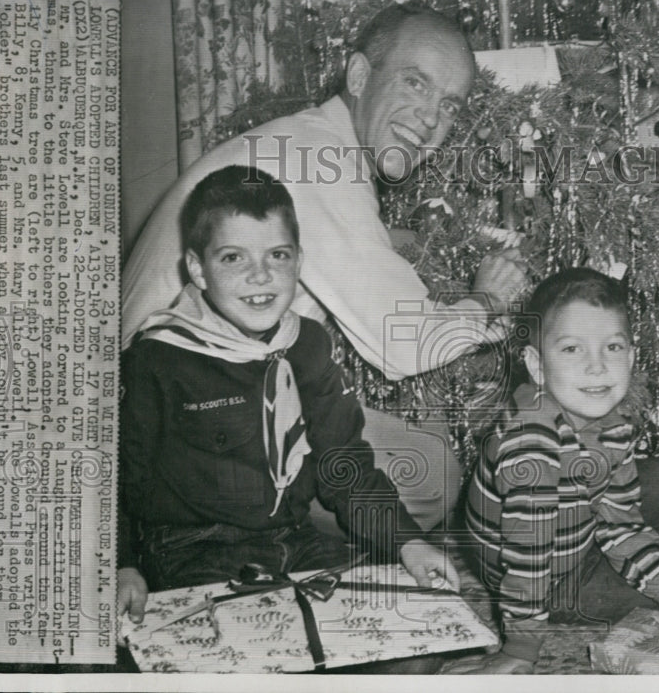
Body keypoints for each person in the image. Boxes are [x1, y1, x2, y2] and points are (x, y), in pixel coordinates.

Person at [120, 3, 530, 533]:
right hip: (167, 428)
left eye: (449, 106)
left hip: (204, 394)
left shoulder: (309, 141)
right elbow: (403, 342)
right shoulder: (320, 158)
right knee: (429, 477)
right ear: (359, 76)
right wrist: (488, 302)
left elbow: (334, 251)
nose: (430, 119)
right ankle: (255, 549)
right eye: (414, 84)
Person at [116, 166, 459, 627]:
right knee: (254, 644)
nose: (260, 276)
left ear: (298, 260)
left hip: (293, 539)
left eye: (277, 255)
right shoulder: (158, 358)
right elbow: (120, 475)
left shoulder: (308, 344)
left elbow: (346, 467)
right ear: (197, 268)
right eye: (233, 258)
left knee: (408, 625)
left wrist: (408, 543)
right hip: (192, 550)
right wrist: (121, 564)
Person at [451, 269, 659, 674]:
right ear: (536, 365)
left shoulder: (609, 420)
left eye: (612, 347)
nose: (597, 368)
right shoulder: (529, 450)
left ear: (631, 356)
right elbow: (527, 560)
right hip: (547, 571)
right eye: (571, 350)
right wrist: (520, 650)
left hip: (576, 520)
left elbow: (620, 526)